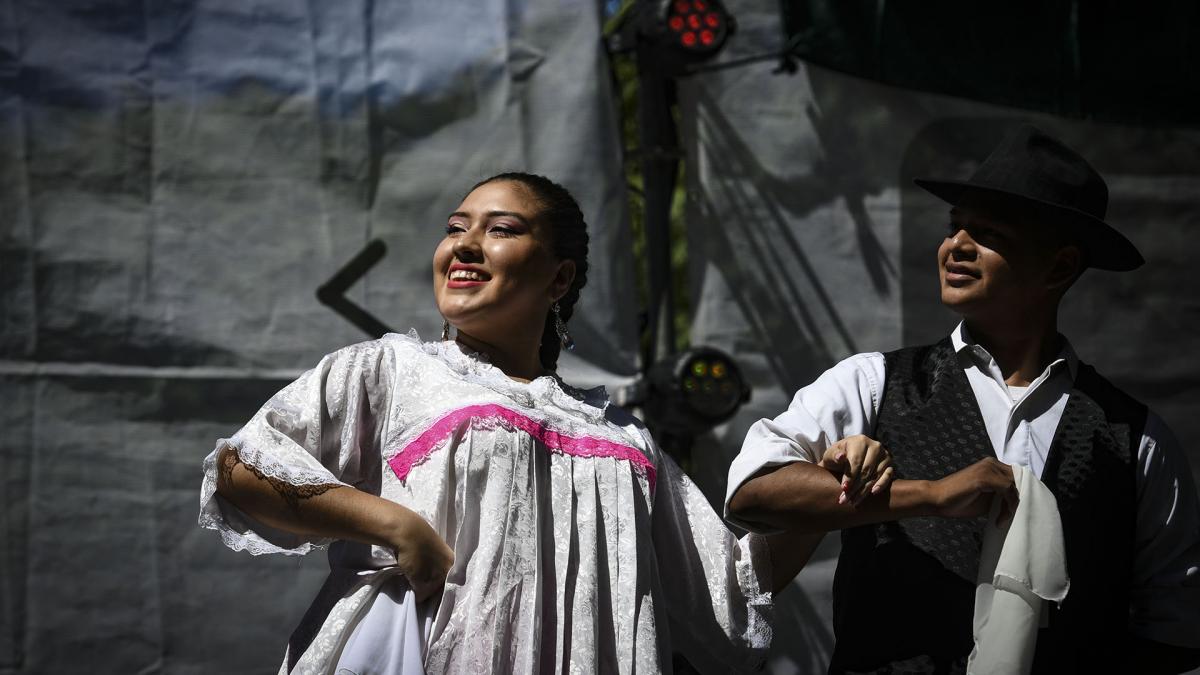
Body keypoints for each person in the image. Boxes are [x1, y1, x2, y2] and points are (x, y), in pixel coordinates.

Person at [201, 172, 889, 674]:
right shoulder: (395, 368)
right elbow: (241, 469)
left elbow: (731, 591)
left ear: (559, 280)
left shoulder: (623, 436)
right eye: (455, 228)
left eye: (500, 229)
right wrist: (392, 523)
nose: (464, 245)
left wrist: (826, 493)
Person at [725, 125, 1200, 674]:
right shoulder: (873, 385)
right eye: (955, 227)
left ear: (1061, 267)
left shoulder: (1132, 439)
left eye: (990, 232)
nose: (957, 246)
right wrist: (930, 494)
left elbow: (1176, 627)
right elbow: (751, 493)